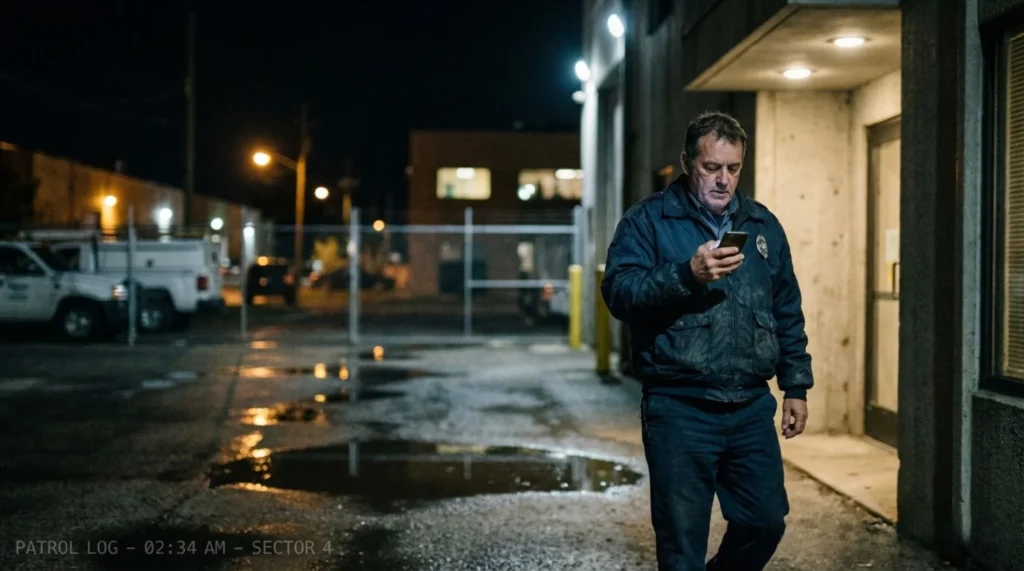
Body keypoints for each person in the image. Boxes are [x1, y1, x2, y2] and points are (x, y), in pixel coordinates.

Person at [601, 111, 813, 571]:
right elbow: (619, 293)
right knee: (681, 548)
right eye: (711, 168)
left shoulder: (762, 226)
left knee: (765, 522)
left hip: (750, 407)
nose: (723, 180)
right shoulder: (648, 221)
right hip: (679, 407)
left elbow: (786, 309)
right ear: (685, 163)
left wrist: (795, 384)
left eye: (733, 169)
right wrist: (685, 275)